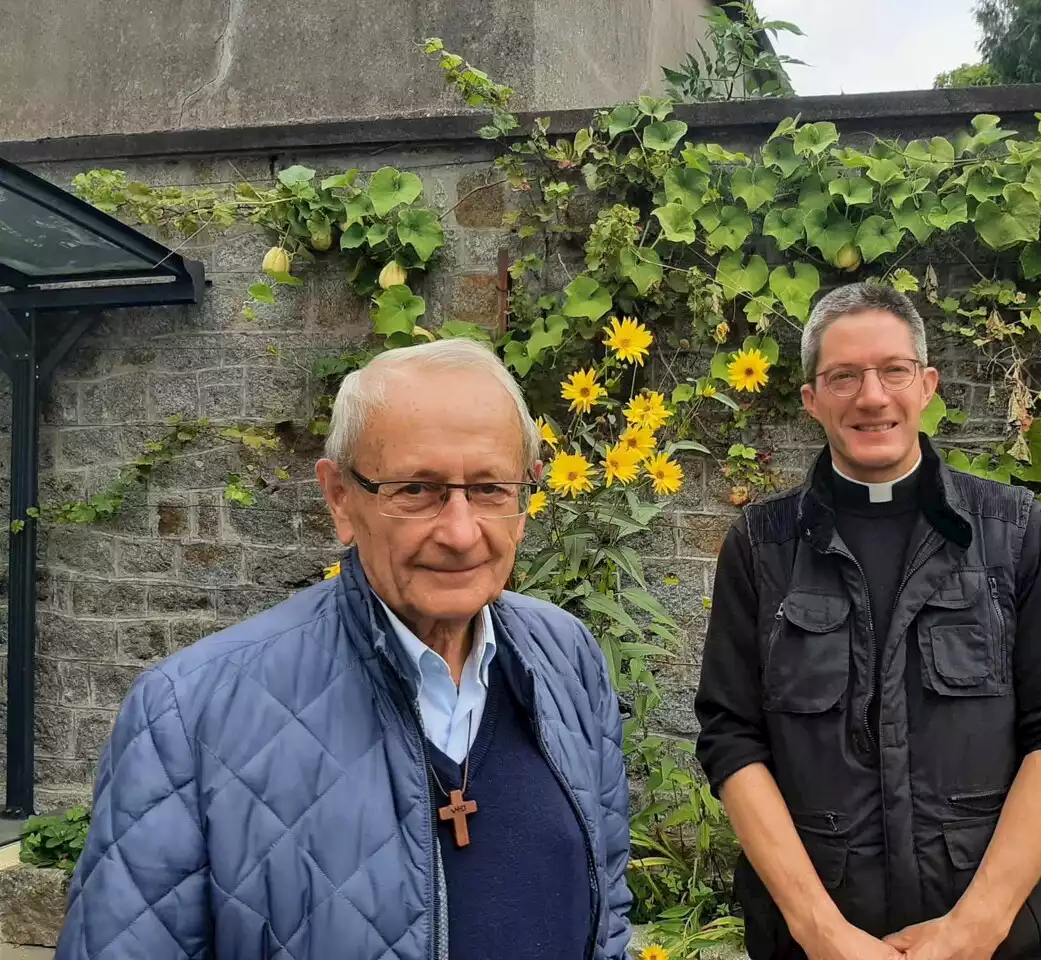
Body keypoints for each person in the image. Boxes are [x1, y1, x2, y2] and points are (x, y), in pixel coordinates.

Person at [57, 339, 632, 960]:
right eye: (417, 489)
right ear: (340, 498)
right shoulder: (189, 716)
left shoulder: (567, 658)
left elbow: (609, 913)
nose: (462, 533)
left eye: (491, 488)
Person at [695, 283, 1041, 960]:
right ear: (810, 399)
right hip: (813, 942)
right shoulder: (762, 547)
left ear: (927, 385)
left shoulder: (1017, 533)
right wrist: (820, 932)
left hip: (1000, 940)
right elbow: (732, 738)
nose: (872, 396)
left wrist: (977, 925)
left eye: (893, 370)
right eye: (843, 376)